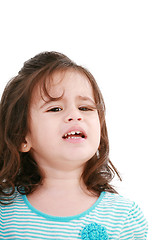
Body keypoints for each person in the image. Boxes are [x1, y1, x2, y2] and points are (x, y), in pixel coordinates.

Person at [0, 51, 148, 239]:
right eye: (55, 108)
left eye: (85, 108)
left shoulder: (123, 217)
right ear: (22, 137)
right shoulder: (4, 214)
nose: (75, 115)